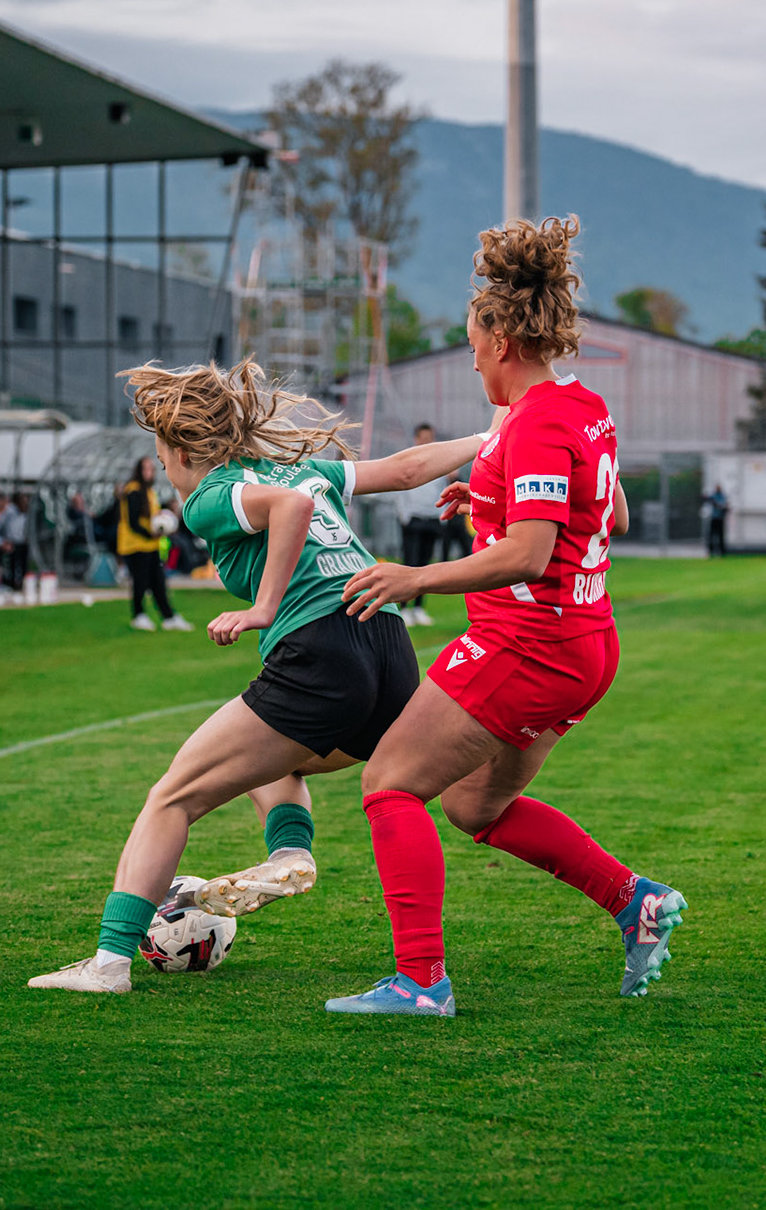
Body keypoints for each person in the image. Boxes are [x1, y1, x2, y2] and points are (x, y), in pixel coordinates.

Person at [28, 358, 503, 995]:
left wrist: (263, 607)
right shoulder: (298, 467)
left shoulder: (209, 497)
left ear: (178, 447)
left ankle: (109, 963)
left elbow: (288, 510)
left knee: (173, 796)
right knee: (282, 761)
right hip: (388, 645)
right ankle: (288, 854)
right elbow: (407, 468)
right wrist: (493, 437)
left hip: (323, 652)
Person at [327, 216, 683, 1017]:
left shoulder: (536, 420)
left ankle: (420, 984)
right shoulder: (583, 406)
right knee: (472, 806)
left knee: (389, 785)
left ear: (499, 337)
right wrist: (485, 495)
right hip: (586, 645)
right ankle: (638, 903)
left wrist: (415, 575)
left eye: (473, 345)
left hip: (528, 644)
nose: (474, 360)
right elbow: (610, 512)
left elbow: (526, 555)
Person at [119, 456, 189, 632]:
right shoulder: (133, 490)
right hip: (135, 545)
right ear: (139, 470)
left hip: (150, 545)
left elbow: (153, 516)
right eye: (146, 468)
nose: (149, 472)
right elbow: (133, 522)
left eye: (151, 468)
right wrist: (151, 533)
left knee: (158, 581)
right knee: (140, 582)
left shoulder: (149, 491)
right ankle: (138, 615)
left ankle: (168, 616)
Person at [391, 422, 448, 626]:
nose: (427, 441)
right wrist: (405, 516)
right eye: (423, 438)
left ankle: (418, 608)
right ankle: (405, 608)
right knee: (409, 562)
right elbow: (400, 489)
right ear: (416, 439)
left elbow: (443, 488)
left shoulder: (438, 461)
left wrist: (440, 514)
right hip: (413, 519)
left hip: (432, 519)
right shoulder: (408, 459)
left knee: (425, 564)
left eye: (429, 437)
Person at [705, 484, 730, 557]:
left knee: (721, 536)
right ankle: (711, 551)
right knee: (711, 536)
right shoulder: (713, 496)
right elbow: (707, 500)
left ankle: (722, 552)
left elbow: (723, 506)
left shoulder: (722, 496)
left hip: (720, 518)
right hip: (714, 518)